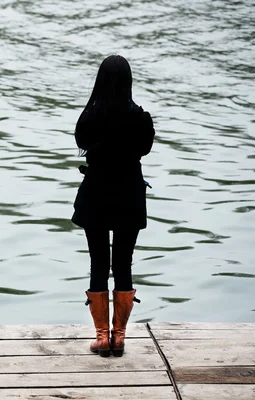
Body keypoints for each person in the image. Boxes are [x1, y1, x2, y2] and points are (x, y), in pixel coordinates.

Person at [71, 55, 155, 357]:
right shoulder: (141, 118)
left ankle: (101, 337)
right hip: (129, 195)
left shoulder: (91, 117)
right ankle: (119, 337)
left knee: (98, 262)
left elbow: (81, 140)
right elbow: (144, 148)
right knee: (123, 263)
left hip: (96, 193)